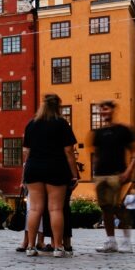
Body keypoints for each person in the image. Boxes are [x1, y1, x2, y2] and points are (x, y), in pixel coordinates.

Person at [21, 93, 77, 258]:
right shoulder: (61, 124)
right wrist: (74, 174)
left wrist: (24, 174)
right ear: (58, 106)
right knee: (55, 208)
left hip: (34, 168)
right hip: (56, 168)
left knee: (35, 209)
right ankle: (58, 247)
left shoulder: (32, 124)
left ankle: (31, 246)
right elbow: (68, 151)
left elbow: (26, 151)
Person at [91, 100, 135, 253]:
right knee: (105, 208)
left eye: (106, 109)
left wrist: (129, 170)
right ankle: (111, 241)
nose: (103, 112)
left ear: (113, 110)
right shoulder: (98, 133)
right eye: (101, 110)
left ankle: (127, 241)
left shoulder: (123, 130)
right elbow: (96, 155)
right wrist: (94, 173)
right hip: (100, 175)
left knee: (117, 207)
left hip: (117, 174)